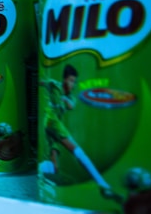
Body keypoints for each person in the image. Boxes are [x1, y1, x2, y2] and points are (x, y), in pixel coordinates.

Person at [39, 65, 122, 202]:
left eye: (74, 81)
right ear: (64, 79)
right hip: (52, 120)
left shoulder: (71, 96)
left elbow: (71, 105)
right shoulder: (54, 84)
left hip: (52, 124)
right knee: (76, 149)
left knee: (54, 167)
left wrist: (64, 99)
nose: (73, 84)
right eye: (71, 80)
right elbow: (41, 82)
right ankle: (102, 183)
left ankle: (39, 173)